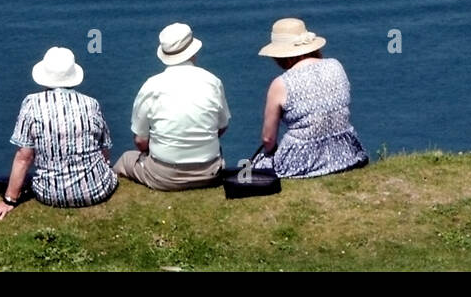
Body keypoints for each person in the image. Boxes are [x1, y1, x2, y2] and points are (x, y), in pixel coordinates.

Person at [0, 47, 116, 220]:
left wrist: (9, 200)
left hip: (51, 195)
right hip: (97, 190)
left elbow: (24, 158)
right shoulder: (91, 103)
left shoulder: (31, 104)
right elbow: (105, 148)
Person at [114, 23, 230, 191]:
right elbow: (222, 126)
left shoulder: (151, 86)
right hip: (210, 173)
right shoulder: (213, 82)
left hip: (164, 177)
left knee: (126, 159)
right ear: (194, 51)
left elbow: (140, 141)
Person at [257, 18, 367, 179]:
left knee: (257, 166)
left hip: (302, 158)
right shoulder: (335, 65)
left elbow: (268, 139)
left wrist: (269, 155)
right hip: (347, 151)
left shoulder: (281, 84)